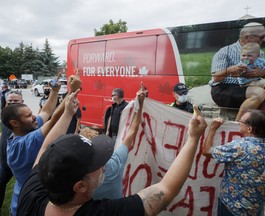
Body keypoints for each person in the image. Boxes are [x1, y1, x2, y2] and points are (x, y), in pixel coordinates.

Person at [16, 87, 207, 215]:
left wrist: (67, 113)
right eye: (98, 163)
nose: (104, 166)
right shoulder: (108, 211)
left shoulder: (31, 192)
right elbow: (165, 190)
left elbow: (44, 147)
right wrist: (193, 139)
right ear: (80, 186)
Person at [1, 74, 81, 216]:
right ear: (14, 123)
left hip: (24, 198)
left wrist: (55, 91)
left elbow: (46, 111)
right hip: (29, 206)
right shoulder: (23, 145)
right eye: (28, 116)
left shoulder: (22, 131)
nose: (34, 117)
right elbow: (53, 121)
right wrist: (71, 93)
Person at [202, 110, 265, 215]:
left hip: (233, 209)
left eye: (241, 121)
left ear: (249, 129)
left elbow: (206, 151)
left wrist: (212, 129)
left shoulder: (239, 148)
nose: (238, 123)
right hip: (257, 210)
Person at [79, 85, 146, 199]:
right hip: (113, 133)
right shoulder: (115, 164)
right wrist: (108, 129)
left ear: (119, 96)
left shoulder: (80, 175)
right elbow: (132, 131)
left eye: (113, 95)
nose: (111, 97)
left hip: (119, 134)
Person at [209, 22, 265, 121]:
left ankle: (258, 124)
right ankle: (238, 126)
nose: (264, 39)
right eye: (262, 37)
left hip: (249, 86)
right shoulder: (224, 51)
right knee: (258, 92)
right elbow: (216, 78)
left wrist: (263, 72)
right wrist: (230, 70)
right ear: (248, 37)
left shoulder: (258, 52)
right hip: (224, 89)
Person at [0, 90, 24, 210]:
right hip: (4, 163)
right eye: (10, 101)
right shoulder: (4, 116)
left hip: (21, 164)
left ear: (22, 102)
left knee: (24, 190)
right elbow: (4, 133)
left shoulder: (27, 118)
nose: (12, 103)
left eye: (16, 101)